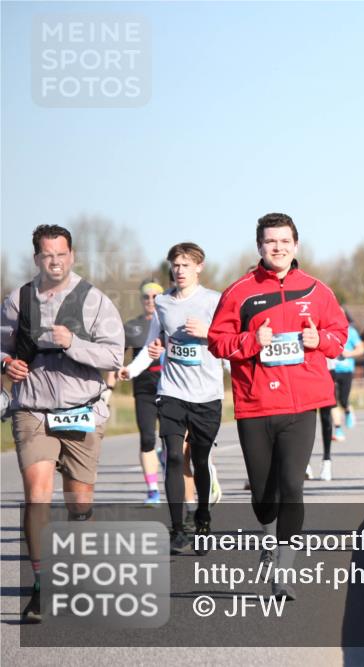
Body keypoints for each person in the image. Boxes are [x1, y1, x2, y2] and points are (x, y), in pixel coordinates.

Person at [209, 212, 349, 599]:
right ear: (259, 246)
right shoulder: (239, 292)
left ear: (296, 245)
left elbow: (339, 336)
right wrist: (254, 340)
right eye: (271, 241)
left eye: (285, 241)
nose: (278, 247)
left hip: (303, 403)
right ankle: (267, 539)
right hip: (255, 404)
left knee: (291, 487)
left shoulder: (317, 291)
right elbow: (218, 342)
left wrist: (318, 340)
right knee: (263, 496)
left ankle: (283, 570)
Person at [2, 224, 125, 623]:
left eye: (61, 254)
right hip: (32, 409)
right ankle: (40, 585)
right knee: (37, 495)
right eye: (46, 255)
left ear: (72, 255)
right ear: (36, 258)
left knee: (79, 503)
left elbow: (114, 357)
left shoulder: (94, 301)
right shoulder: (18, 299)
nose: (54, 262)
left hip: (81, 408)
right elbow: (1, 347)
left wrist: (73, 343)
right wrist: (7, 363)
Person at [119, 243, 224, 556]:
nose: (180, 270)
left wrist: (208, 334)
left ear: (199, 267)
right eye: (176, 265)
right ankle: (177, 529)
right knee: (175, 457)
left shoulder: (214, 301)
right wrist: (133, 369)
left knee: (200, 461)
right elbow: (154, 342)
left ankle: (202, 517)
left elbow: (227, 341)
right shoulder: (163, 302)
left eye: (186, 265)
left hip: (206, 394)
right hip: (172, 391)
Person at [120, 280, 165, 504]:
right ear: (141, 300)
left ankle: (165, 459)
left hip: (169, 388)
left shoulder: (170, 321)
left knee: (171, 440)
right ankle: (153, 490)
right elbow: (117, 359)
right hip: (144, 388)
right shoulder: (132, 326)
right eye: (146, 297)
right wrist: (108, 390)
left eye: (155, 296)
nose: (150, 301)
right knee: (148, 438)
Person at [315, 311, 364, 481]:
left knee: (332, 409)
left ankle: (326, 461)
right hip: (309, 373)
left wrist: (345, 353)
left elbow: (355, 348)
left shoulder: (346, 330)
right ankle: (304, 465)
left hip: (334, 370)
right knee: (303, 421)